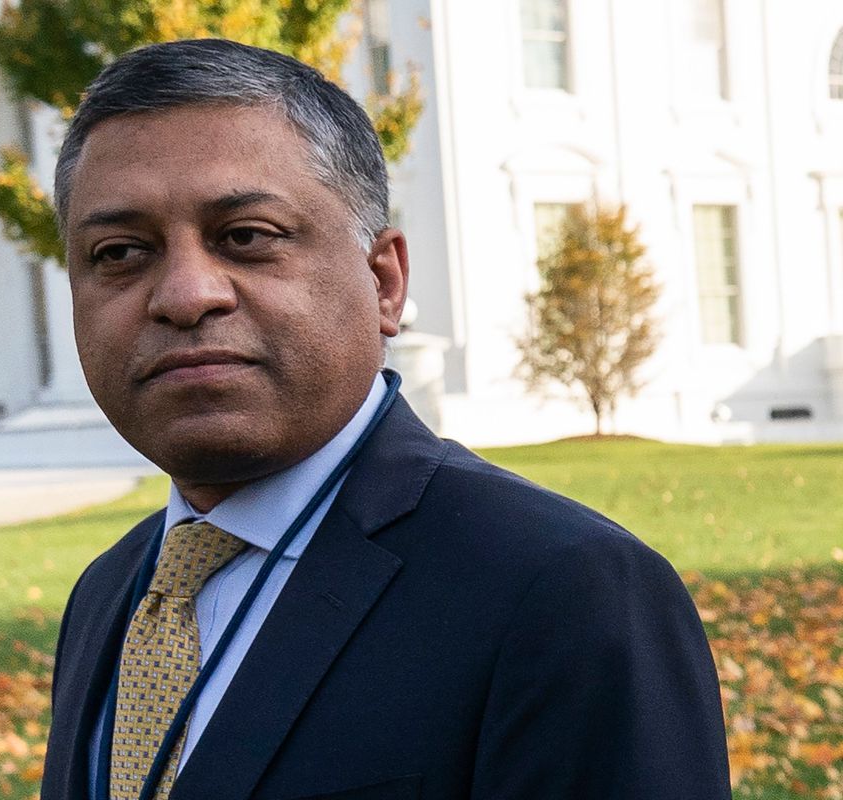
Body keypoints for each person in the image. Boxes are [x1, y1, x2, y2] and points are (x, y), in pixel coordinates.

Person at [40, 38, 731, 800]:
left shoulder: (563, 590)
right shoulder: (109, 596)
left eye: (246, 237)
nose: (185, 294)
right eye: (119, 252)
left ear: (385, 282)